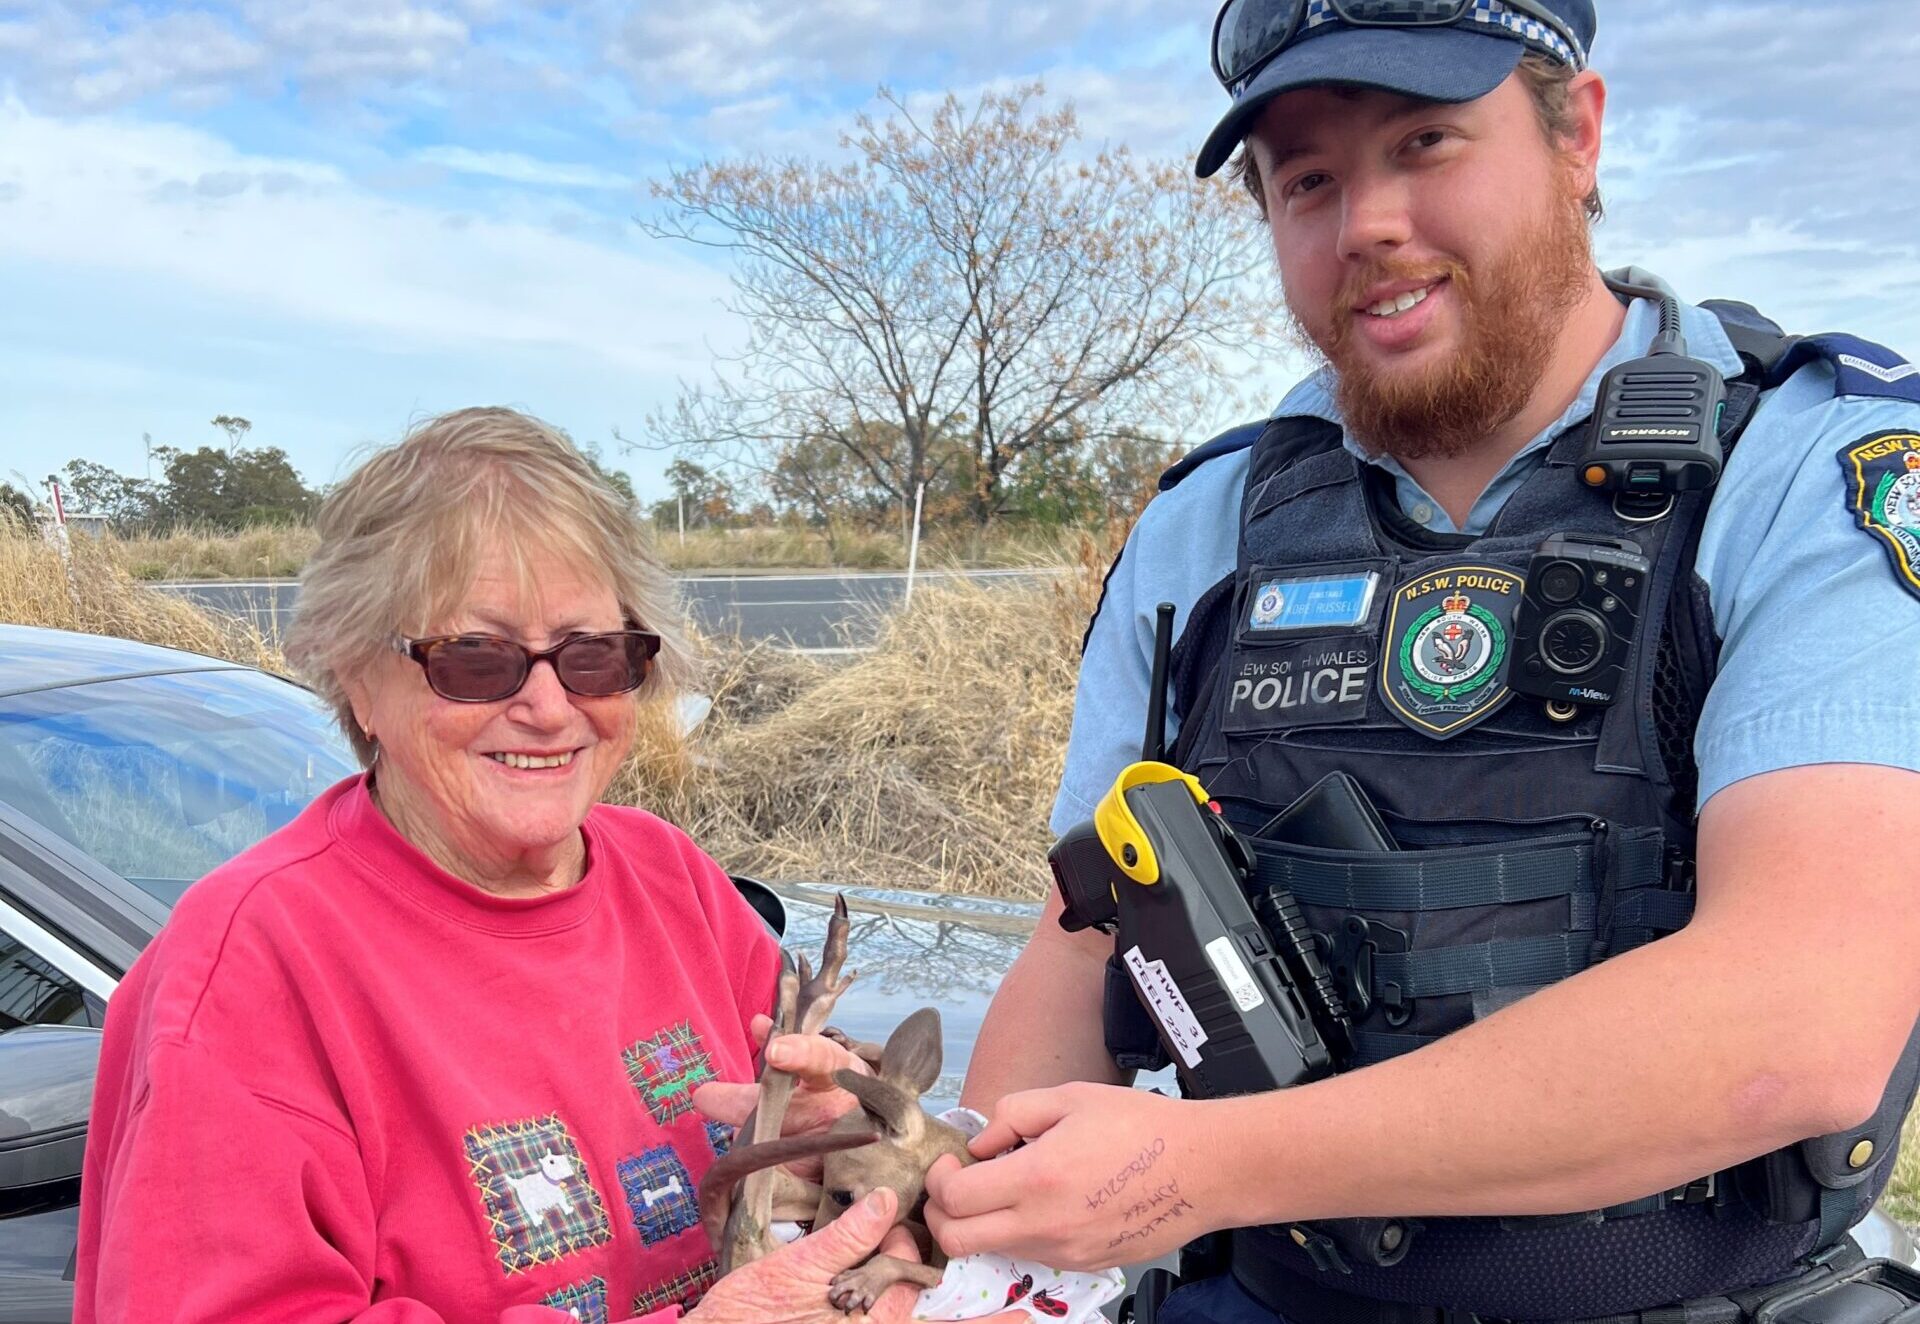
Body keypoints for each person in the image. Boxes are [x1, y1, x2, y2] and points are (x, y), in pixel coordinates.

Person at [925, 3, 1920, 1322]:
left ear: (1579, 135)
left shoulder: (1802, 469)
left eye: (1427, 143)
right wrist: (954, 1204)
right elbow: (1083, 948)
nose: (1367, 225)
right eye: (1310, 180)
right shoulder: (1204, 528)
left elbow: (1798, 1022)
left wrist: (1212, 1167)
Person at [75, 407, 938, 1324]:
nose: (548, 707)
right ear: (358, 674)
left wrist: (817, 1153)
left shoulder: (668, 873)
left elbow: (785, 1207)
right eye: (476, 659)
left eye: (591, 655)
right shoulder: (251, 969)